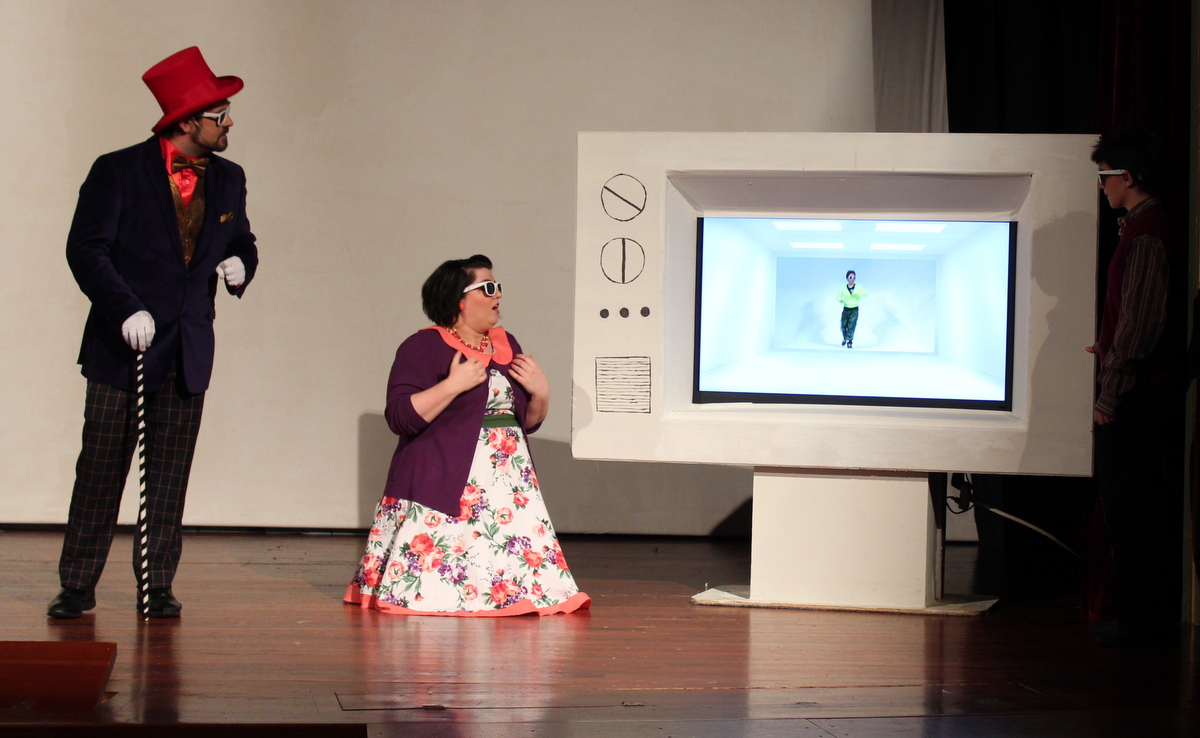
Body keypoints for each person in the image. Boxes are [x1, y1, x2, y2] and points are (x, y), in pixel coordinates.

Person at [48, 47, 259, 619]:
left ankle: (157, 584)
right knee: (100, 470)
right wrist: (124, 309)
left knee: (168, 477)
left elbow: (241, 238)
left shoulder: (230, 178)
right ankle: (77, 584)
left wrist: (242, 263)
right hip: (124, 349)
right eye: (220, 114)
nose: (229, 123)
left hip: (188, 349)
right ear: (188, 121)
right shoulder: (117, 170)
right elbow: (86, 249)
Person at [345, 255, 590, 616]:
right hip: (446, 480)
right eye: (488, 288)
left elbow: (525, 423)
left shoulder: (507, 346)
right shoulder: (424, 346)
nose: (498, 295)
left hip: (508, 488)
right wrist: (452, 385)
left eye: (498, 287)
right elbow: (399, 417)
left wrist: (542, 393)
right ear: (459, 298)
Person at [1086, 129, 1186, 646]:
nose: (1101, 186)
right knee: (1129, 507)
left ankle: (1142, 623)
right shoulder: (1140, 227)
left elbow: (1141, 326)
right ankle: (1137, 619)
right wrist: (1105, 346)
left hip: (1139, 400)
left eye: (1105, 177)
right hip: (1139, 392)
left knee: (1135, 509)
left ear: (1127, 177)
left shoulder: (1148, 233)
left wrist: (1110, 393)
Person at [836, 270, 868, 348]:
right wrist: (840, 300)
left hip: (854, 309)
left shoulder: (858, 287)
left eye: (854, 277)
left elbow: (866, 293)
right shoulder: (844, 288)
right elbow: (838, 296)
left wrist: (858, 294)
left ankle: (850, 341)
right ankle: (845, 337)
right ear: (847, 278)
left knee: (851, 325)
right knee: (843, 325)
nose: (852, 279)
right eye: (850, 277)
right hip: (846, 308)